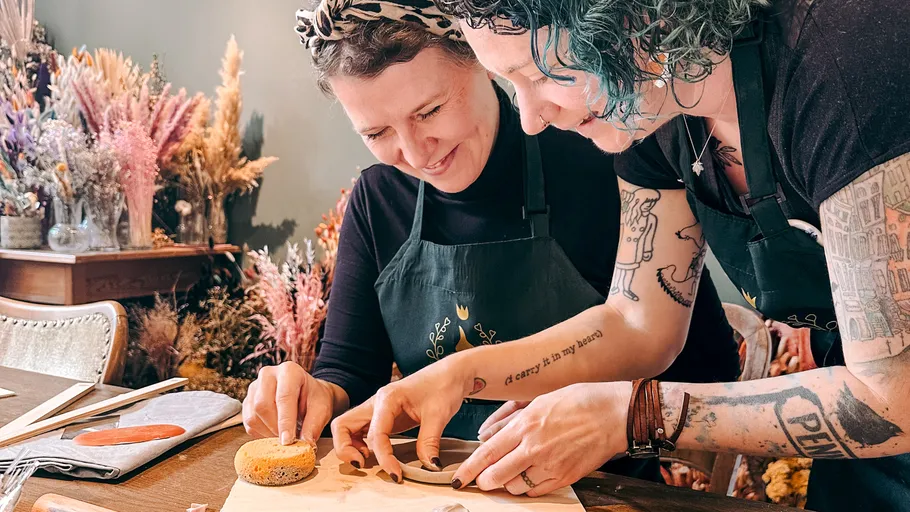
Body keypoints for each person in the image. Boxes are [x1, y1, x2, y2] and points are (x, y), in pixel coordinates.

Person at [329, 0, 910, 509]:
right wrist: (461, 374)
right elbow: (638, 323)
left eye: (538, 75)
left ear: (626, 17)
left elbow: (892, 399)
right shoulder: (654, 109)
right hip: (863, 460)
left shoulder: (844, 73)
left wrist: (629, 417)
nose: (530, 119)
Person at [241, 0, 741, 484]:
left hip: (598, 493)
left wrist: (606, 423)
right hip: (432, 490)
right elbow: (349, 373)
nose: (416, 153)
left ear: (483, 60)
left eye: (430, 111)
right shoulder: (377, 199)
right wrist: (315, 394)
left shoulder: (606, 155)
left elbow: (702, 368)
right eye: (376, 132)